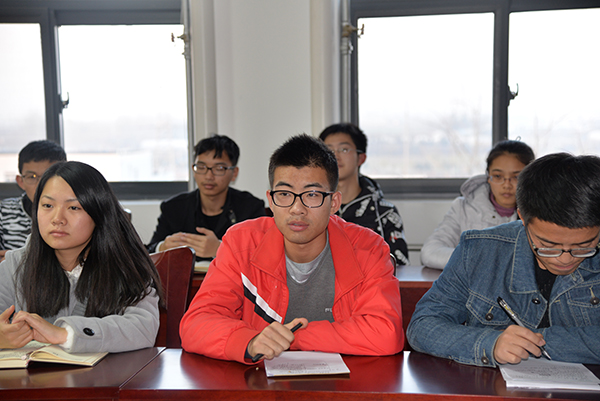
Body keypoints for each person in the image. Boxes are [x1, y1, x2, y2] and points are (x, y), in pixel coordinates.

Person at [180, 134, 403, 363]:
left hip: (345, 380)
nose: (297, 208)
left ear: (334, 203)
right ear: (270, 200)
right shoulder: (241, 243)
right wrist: (251, 342)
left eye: (312, 194)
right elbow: (196, 324)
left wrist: (291, 338)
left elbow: (386, 333)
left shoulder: (368, 248)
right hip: (259, 380)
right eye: (285, 194)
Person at [407, 153, 600, 367]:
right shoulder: (480, 251)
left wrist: (532, 342)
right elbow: (422, 326)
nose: (564, 258)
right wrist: (490, 343)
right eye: (548, 245)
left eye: (584, 246)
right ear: (522, 217)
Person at [0, 161, 161, 353]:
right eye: (48, 205)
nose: (57, 219)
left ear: (98, 213)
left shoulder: (124, 265)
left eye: (74, 208)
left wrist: (65, 334)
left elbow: (143, 328)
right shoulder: (15, 265)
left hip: (104, 373)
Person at [147, 134, 265, 260]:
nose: (209, 176)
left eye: (219, 168)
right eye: (201, 167)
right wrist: (162, 247)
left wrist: (220, 248)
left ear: (234, 173)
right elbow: (148, 251)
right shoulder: (174, 207)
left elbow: (264, 254)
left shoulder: (250, 208)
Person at [420, 140, 535, 269]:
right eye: (498, 176)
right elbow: (430, 252)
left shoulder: (539, 213)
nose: (506, 185)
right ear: (488, 177)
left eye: (516, 177)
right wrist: (478, 259)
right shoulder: (463, 208)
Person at [318, 123, 409, 265]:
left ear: (361, 158)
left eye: (344, 149)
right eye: (328, 150)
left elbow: (399, 265)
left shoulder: (385, 212)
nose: (335, 156)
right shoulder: (311, 207)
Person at [0, 140, 67, 262]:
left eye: (48, 176)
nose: (41, 184)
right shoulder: (3, 211)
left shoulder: (77, 211)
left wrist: (19, 259)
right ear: (21, 181)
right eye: (32, 177)